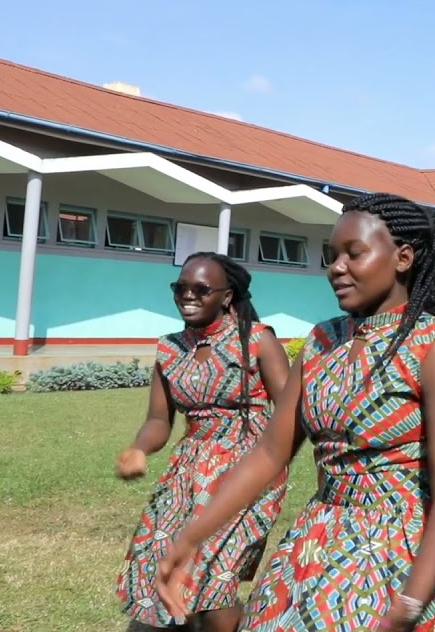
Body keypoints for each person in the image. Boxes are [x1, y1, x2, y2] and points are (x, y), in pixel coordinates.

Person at [155, 192, 435, 632]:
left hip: (408, 548)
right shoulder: (321, 342)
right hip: (321, 532)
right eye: (332, 256)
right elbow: (270, 453)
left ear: (403, 257)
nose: (336, 267)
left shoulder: (434, 348)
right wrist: (192, 537)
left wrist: (409, 605)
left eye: (355, 253)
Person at [116, 252, 291, 632]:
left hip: (249, 469)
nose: (187, 296)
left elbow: (290, 413)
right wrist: (138, 449)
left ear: (227, 296)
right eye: (180, 288)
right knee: (155, 560)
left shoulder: (258, 341)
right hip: (188, 470)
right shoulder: (169, 348)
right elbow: (159, 420)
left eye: (200, 289)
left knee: (213, 578)